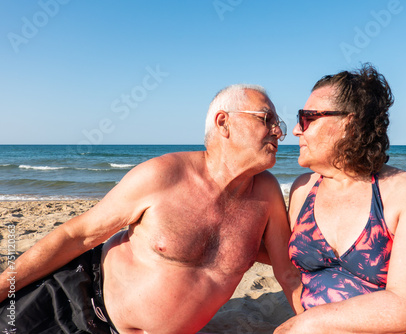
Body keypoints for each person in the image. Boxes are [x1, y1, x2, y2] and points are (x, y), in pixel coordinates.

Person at [0, 84, 302, 334]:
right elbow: (76, 235)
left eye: (279, 124)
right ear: (224, 123)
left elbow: (287, 272)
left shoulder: (267, 195)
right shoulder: (164, 174)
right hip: (76, 300)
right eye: (266, 119)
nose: (279, 131)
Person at [274, 65, 406, 333]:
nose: (295, 130)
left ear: (348, 124)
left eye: (307, 118)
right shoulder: (303, 189)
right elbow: (277, 255)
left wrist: (310, 321)